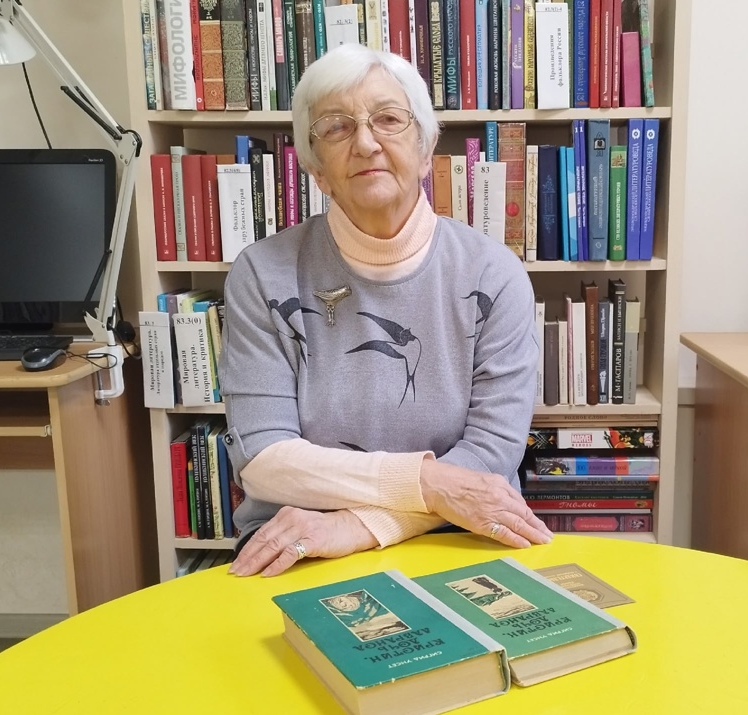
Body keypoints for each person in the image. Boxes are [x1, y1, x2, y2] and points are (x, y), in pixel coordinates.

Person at [219, 44, 551, 578]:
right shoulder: (263, 274)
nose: (366, 142)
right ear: (315, 169)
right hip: (299, 545)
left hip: (456, 538)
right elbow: (263, 461)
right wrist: (429, 483)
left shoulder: (494, 275)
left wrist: (355, 528)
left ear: (425, 149)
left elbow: (491, 457)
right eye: (336, 127)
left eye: (389, 119)